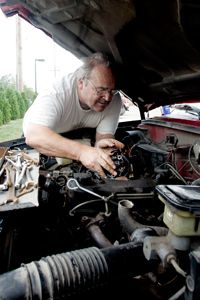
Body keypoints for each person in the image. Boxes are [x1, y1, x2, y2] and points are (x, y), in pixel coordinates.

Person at [23, 52, 124, 178]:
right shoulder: (57, 93)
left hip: (81, 137)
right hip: (46, 138)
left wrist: (102, 150)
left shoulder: (114, 99)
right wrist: (81, 152)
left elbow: (103, 138)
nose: (107, 97)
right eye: (101, 90)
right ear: (81, 83)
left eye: (111, 90)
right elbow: (34, 136)